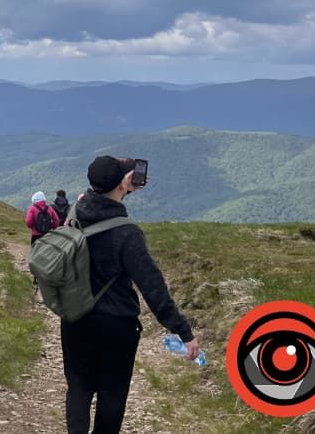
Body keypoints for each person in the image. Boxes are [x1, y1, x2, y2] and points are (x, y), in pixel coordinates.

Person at [61, 155, 200, 434]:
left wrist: (123, 186)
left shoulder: (74, 214)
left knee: (79, 387)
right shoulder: (127, 234)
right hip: (117, 326)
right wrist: (183, 331)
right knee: (112, 395)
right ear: (124, 182)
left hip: (75, 318)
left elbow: (101, 202)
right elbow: (152, 287)